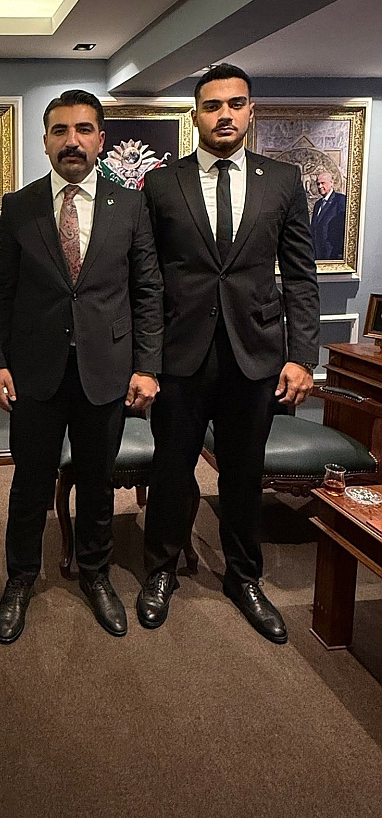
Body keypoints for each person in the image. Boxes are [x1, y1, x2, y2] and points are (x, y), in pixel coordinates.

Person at [138, 63, 320, 644]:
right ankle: (161, 571)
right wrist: (145, 360)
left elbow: (300, 275)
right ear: (195, 115)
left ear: (250, 111)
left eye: (235, 104)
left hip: (256, 355)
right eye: (213, 105)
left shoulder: (282, 180)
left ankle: (244, 578)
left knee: (244, 474)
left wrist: (303, 356)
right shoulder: (162, 184)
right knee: (171, 470)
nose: (225, 115)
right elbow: (147, 280)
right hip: (180, 355)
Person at [0, 89, 163, 643]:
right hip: (35, 371)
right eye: (60, 130)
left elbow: (147, 290)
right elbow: (1, 293)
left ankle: (96, 574)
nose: (72, 141)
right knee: (29, 483)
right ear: (44, 141)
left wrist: (147, 366)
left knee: (97, 482)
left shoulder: (129, 206)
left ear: (101, 140)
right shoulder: (19, 205)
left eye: (84, 130)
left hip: (106, 370)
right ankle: (20, 578)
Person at [310, 170, 347, 260]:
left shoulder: (340, 200)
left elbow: (343, 228)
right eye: (318, 184)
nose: (320, 186)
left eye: (323, 183)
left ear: (331, 183)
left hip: (332, 254)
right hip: (317, 253)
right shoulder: (318, 204)